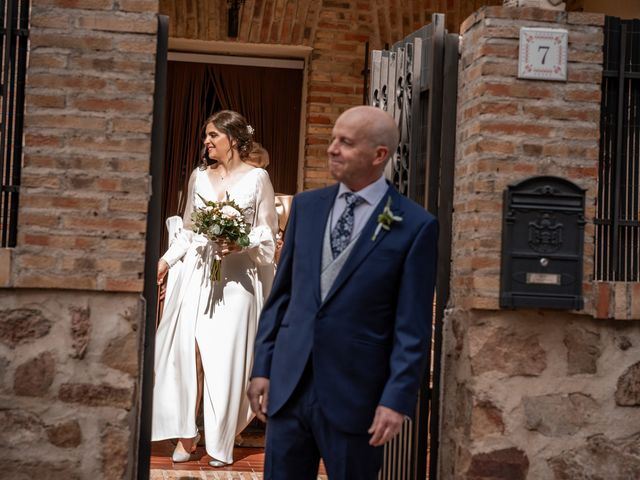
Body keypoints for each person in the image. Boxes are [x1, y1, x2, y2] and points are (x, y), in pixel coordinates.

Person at [247, 105, 438, 480]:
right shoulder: (306, 207)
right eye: (333, 138)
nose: (332, 148)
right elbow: (281, 297)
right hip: (289, 388)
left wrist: (396, 400)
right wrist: (263, 367)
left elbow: (412, 325)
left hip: (358, 397)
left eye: (345, 143)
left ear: (378, 155)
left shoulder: (414, 225)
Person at [153, 110, 278, 468]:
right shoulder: (198, 177)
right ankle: (186, 433)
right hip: (199, 272)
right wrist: (165, 261)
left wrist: (241, 242)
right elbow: (189, 230)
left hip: (237, 279)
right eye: (206, 136)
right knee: (188, 350)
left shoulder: (258, 179)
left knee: (224, 360)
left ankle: (221, 440)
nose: (206, 142)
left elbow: (267, 232)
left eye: (213, 136)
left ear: (233, 140)